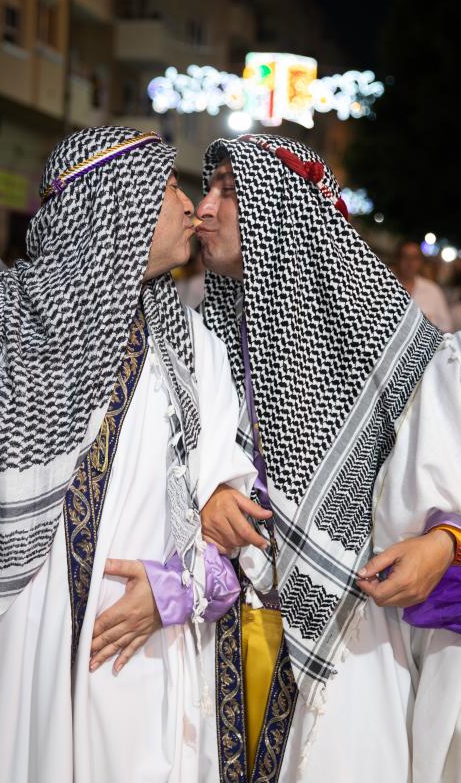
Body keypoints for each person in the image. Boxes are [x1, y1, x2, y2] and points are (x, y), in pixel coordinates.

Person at [0, 126, 262, 782]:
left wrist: (177, 590)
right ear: (115, 206)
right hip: (1, 655)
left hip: (129, 667)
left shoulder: (192, 348)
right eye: (168, 188)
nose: (190, 205)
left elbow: (234, 545)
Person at [196, 133, 461, 783]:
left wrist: (445, 544)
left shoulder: (405, 353)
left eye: (227, 193)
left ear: (280, 211)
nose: (203, 209)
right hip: (209, 637)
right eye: (206, 191)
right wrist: (207, 490)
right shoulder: (197, 336)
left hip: (352, 652)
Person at [394, 239, 452, 331]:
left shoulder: (433, 290)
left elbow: (446, 327)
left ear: (420, 262)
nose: (409, 263)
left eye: (414, 258)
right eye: (405, 257)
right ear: (397, 259)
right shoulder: (386, 286)